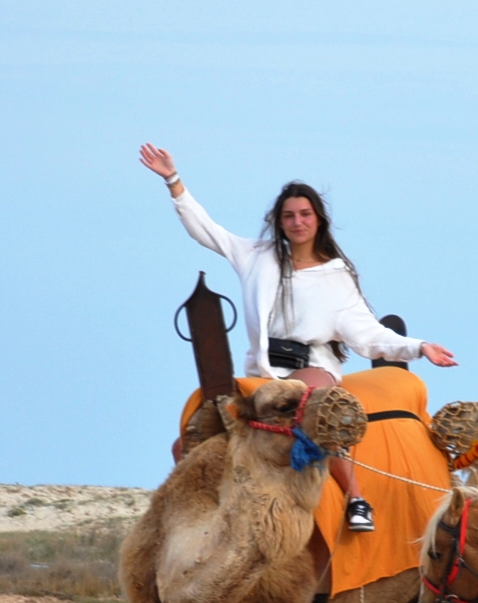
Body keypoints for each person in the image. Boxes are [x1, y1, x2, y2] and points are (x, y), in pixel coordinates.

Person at [140, 143, 457, 533]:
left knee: (311, 403)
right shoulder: (257, 257)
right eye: (289, 215)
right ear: (280, 221)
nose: (297, 221)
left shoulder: (335, 276)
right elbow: (207, 231)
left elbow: (368, 334)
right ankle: (195, 519)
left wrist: (418, 347)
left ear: (318, 220)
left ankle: (357, 499)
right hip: (261, 372)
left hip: (313, 368)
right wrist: (173, 180)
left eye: (305, 214)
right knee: (187, 442)